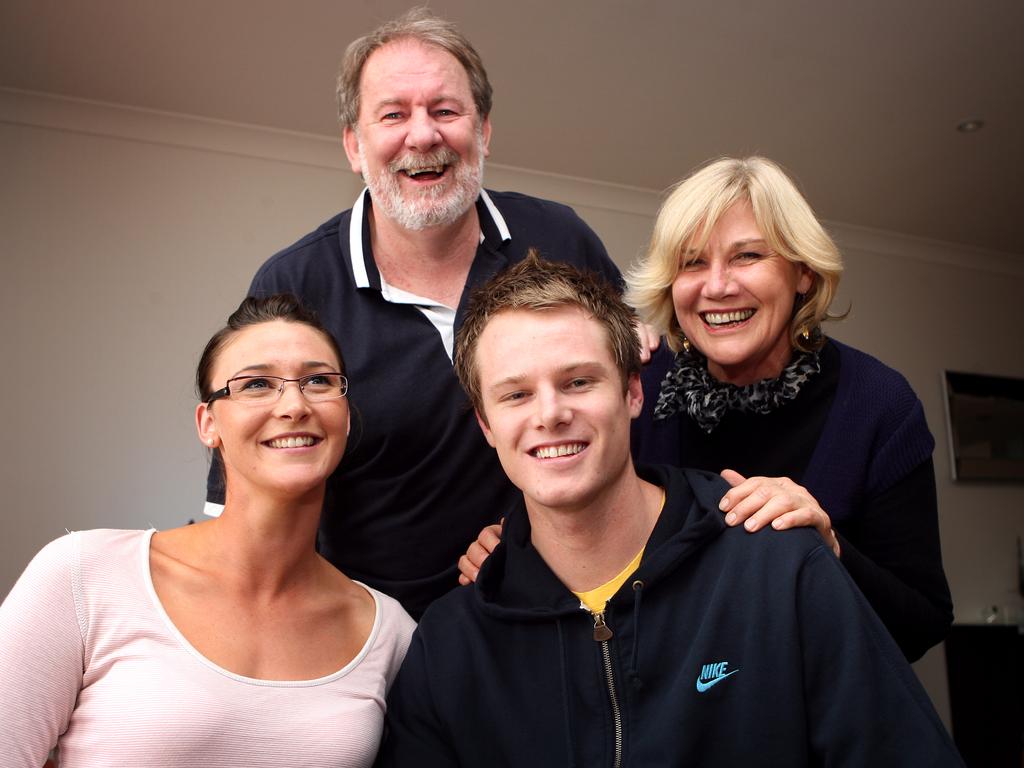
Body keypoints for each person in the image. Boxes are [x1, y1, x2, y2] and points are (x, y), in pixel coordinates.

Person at [376, 254, 964, 766]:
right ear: (486, 424)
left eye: (579, 382)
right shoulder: (450, 646)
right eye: (516, 394)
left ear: (634, 392)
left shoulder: (780, 571)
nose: (549, 414)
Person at [205, 8, 631, 619]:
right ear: (355, 144)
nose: (423, 135)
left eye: (445, 110)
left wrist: (526, 536)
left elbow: (627, 402)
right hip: (378, 633)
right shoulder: (295, 283)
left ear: (483, 130)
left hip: (564, 609)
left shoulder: (559, 235)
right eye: (394, 114)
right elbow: (246, 484)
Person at [461, 156, 952, 661]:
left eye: (747, 257)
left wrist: (829, 550)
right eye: (692, 263)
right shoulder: (640, 385)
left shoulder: (877, 403)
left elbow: (920, 623)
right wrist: (514, 546)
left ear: (802, 272)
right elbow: (567, 493)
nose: (717, 286)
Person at [0, 295, 415, 767]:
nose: (295, 404)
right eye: (257, 384)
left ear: (345, 414)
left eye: (319, 381)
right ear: (208, 423)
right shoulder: (83, 575)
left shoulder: (389, 632)